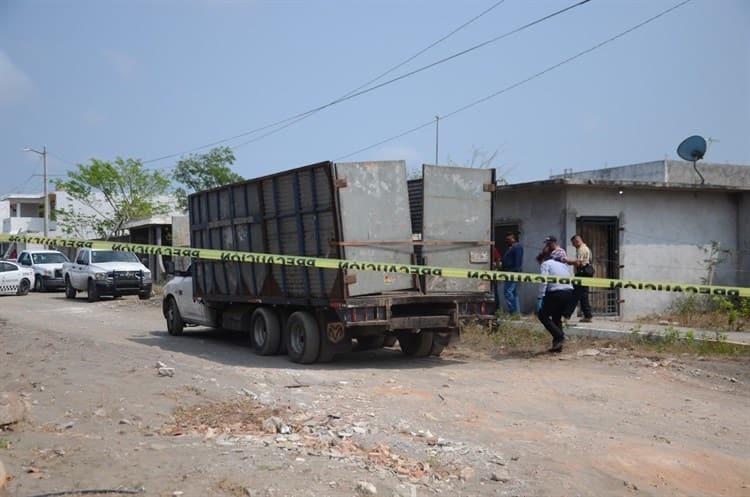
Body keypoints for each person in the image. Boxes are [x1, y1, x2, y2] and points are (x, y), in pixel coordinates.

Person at [536, 251, 575, 352]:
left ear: (542, 260)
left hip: (556, 293)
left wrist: (540, 297)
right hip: (570, 293)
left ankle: (560, 336)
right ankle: (557, 347)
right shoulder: (562, 265)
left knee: (542, 315)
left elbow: (543, 281)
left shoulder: (545, 264)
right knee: (556, 317)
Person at [566, 234, 594, 322]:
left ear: (577, 241)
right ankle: (587, 315)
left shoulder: (582, 249)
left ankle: (566, 315)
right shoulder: (585, 248)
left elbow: (578, 263)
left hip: (582, 274)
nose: (573, 246)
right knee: (583, 296)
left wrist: (568, 262)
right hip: (585, 274)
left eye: (573, 243)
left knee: (575, 294)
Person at [502, 233, 523, 316]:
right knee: (513, 292)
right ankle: (516, 312)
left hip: (512, 272)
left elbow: (517, 261)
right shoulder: (511, 248)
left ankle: (513, 311)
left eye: (508, 239)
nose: (507, 241)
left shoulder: (517, 247)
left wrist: (515, 272)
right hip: (508, 272)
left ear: (513, 239)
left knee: (508, 292)